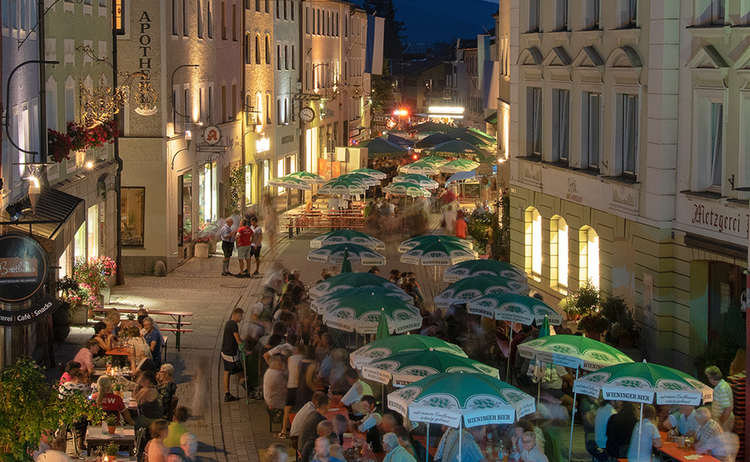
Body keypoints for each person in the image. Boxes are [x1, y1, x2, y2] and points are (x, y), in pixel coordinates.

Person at [222, 308, 245, 402]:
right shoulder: (233, 325)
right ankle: (249, 390)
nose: (241, 318)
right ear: (236, 315)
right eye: (241, 316)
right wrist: (244, 347)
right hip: (231, 354)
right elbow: (237, 339)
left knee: (227, 371)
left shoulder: (229, 323)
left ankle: (227, 394)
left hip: (225, 351)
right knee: (240, 372)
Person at [705, 365, 735, 431]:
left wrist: (720, 422)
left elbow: (728, 409)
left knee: (723, 440)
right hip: (722, 418)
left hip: (724, 420)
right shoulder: (722, 384)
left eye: (708, 377)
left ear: (711, 377)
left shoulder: (721, 389)